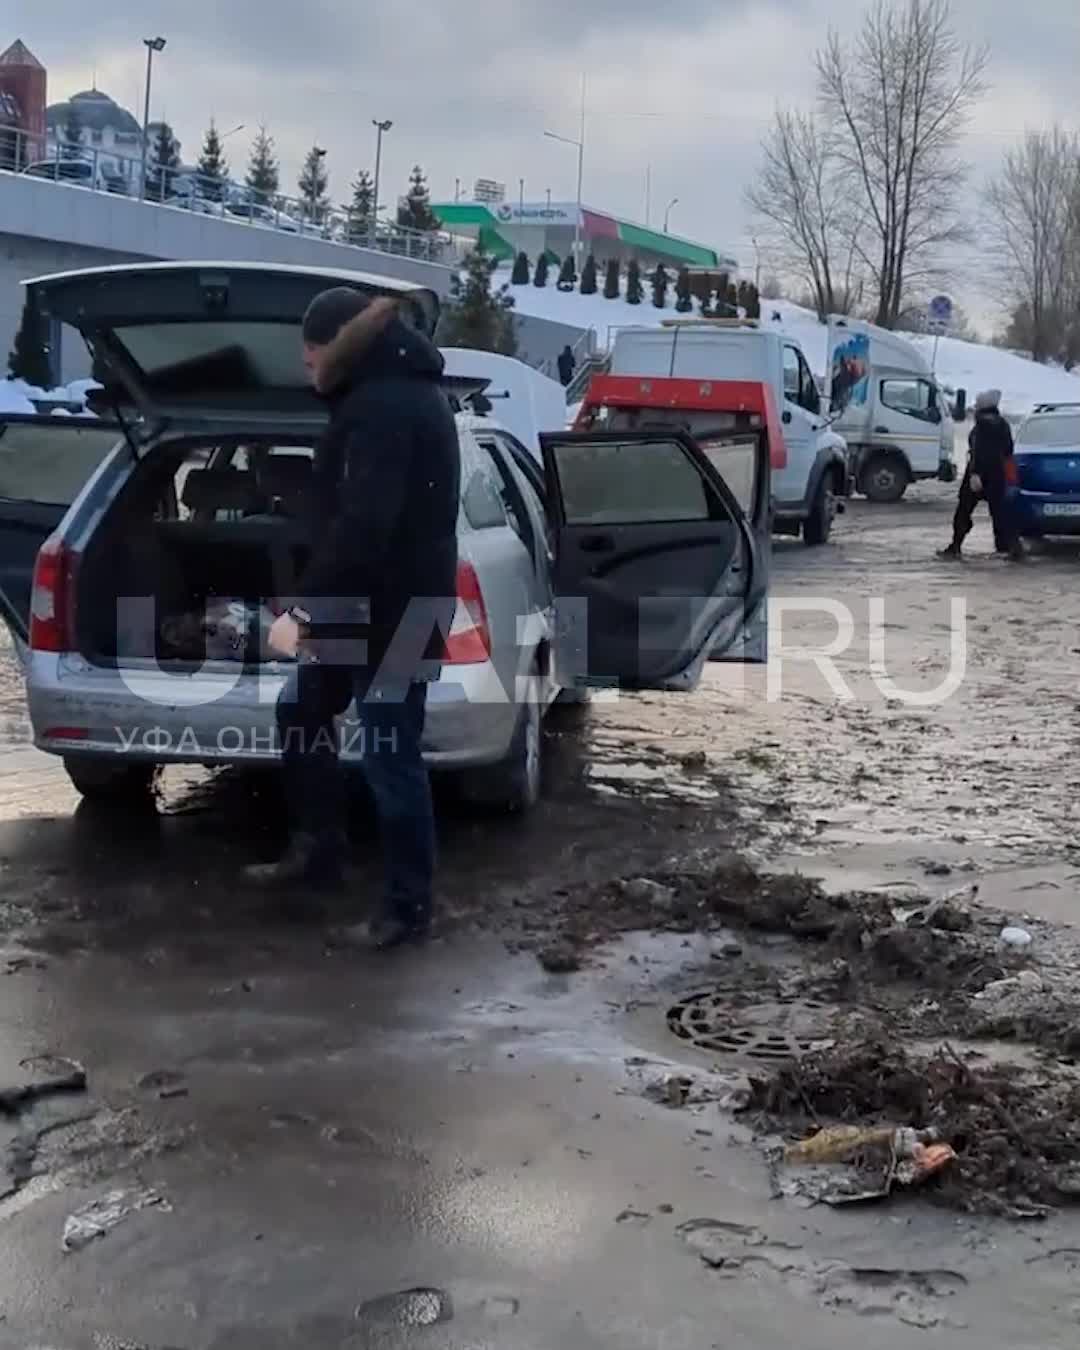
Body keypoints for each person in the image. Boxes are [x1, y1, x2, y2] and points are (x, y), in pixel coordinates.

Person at [245, 289, 461, 951]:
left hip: (392, 610)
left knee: (391, 756)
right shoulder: (386, 395)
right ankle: (320, 850)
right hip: (372, 604)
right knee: (303, 712)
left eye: (310, 352)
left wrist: (302, 611)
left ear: (337, 343)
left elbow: (365, 526)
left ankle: (407, 909)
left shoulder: (384, 407)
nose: (305, 364)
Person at [939, 388, 1024, 561]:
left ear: (983, 406)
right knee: (1000, 513)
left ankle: (956, 545)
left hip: (979, 474)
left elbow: (979, 451)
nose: (975, 407)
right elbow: (1008, 449)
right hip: (997, 475)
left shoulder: (983, 424)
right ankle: (1010, 548)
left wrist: (976, 473)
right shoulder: (1002, 423)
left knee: (964, 509)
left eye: (977, 404)